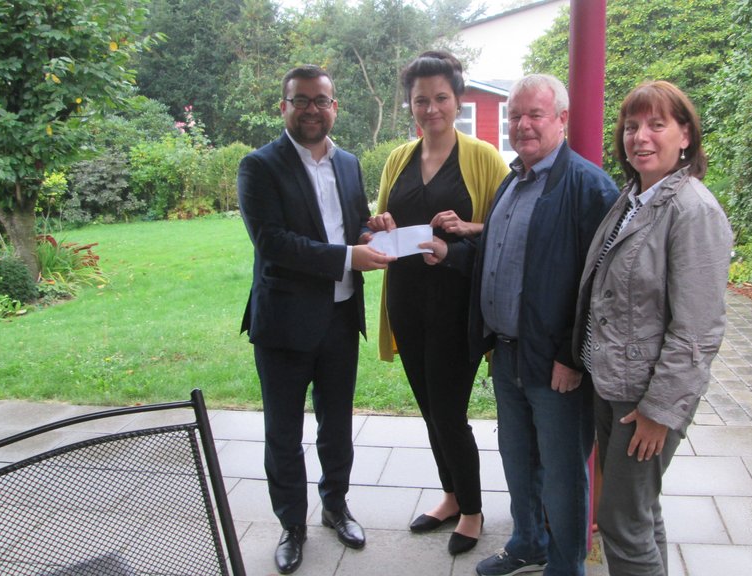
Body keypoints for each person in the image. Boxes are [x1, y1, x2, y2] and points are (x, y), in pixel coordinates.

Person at [237, 64, 395, 575]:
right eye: (300, 100)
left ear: (334, 107)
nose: (311, 109)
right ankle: (291, 525)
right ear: (283, 107)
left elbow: (348, 226)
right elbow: (274, 244)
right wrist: (349, 256)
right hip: (284, 322)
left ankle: (335, 507)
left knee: (337, 424)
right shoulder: (259, 166)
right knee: (283, 432)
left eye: (320, 100)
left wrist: (371, 231)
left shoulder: (347, 163)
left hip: (340, 317)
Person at [572, 80, 732, 575]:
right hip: (613, 383)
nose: (640, 136)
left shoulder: (693, 211)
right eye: (631, 126)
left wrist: (659, 412)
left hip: (644, 398)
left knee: (620, 521)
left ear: (685, 136)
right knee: (639, 513)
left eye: (656, 125)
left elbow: (698, 331)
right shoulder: (636, 198)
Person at [467, 74, 618, 576]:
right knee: (517, 458)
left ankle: (566, 565)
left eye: (535, 114)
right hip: (508, 351)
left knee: (562, 473)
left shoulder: (589, 186)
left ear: (561, 119)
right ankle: (527, 542)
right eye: (515, 115)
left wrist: (571, 356)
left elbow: (601, 286)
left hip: (557, 365)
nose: (523, 124)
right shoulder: (514, 180)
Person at [367, 50, 509, 556]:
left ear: (458, 99)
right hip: (406, 303)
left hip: (457, 308)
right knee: (429, 410)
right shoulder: (398, 159)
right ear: (410, 104)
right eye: (421, 100)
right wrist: (378, 225)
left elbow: (508, 232)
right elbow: (377, 223)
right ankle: (450, 496)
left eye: (441, 98)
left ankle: (472, 510)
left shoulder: (484, 158)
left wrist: (462, 236)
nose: (431, 109)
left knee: (449, 413)